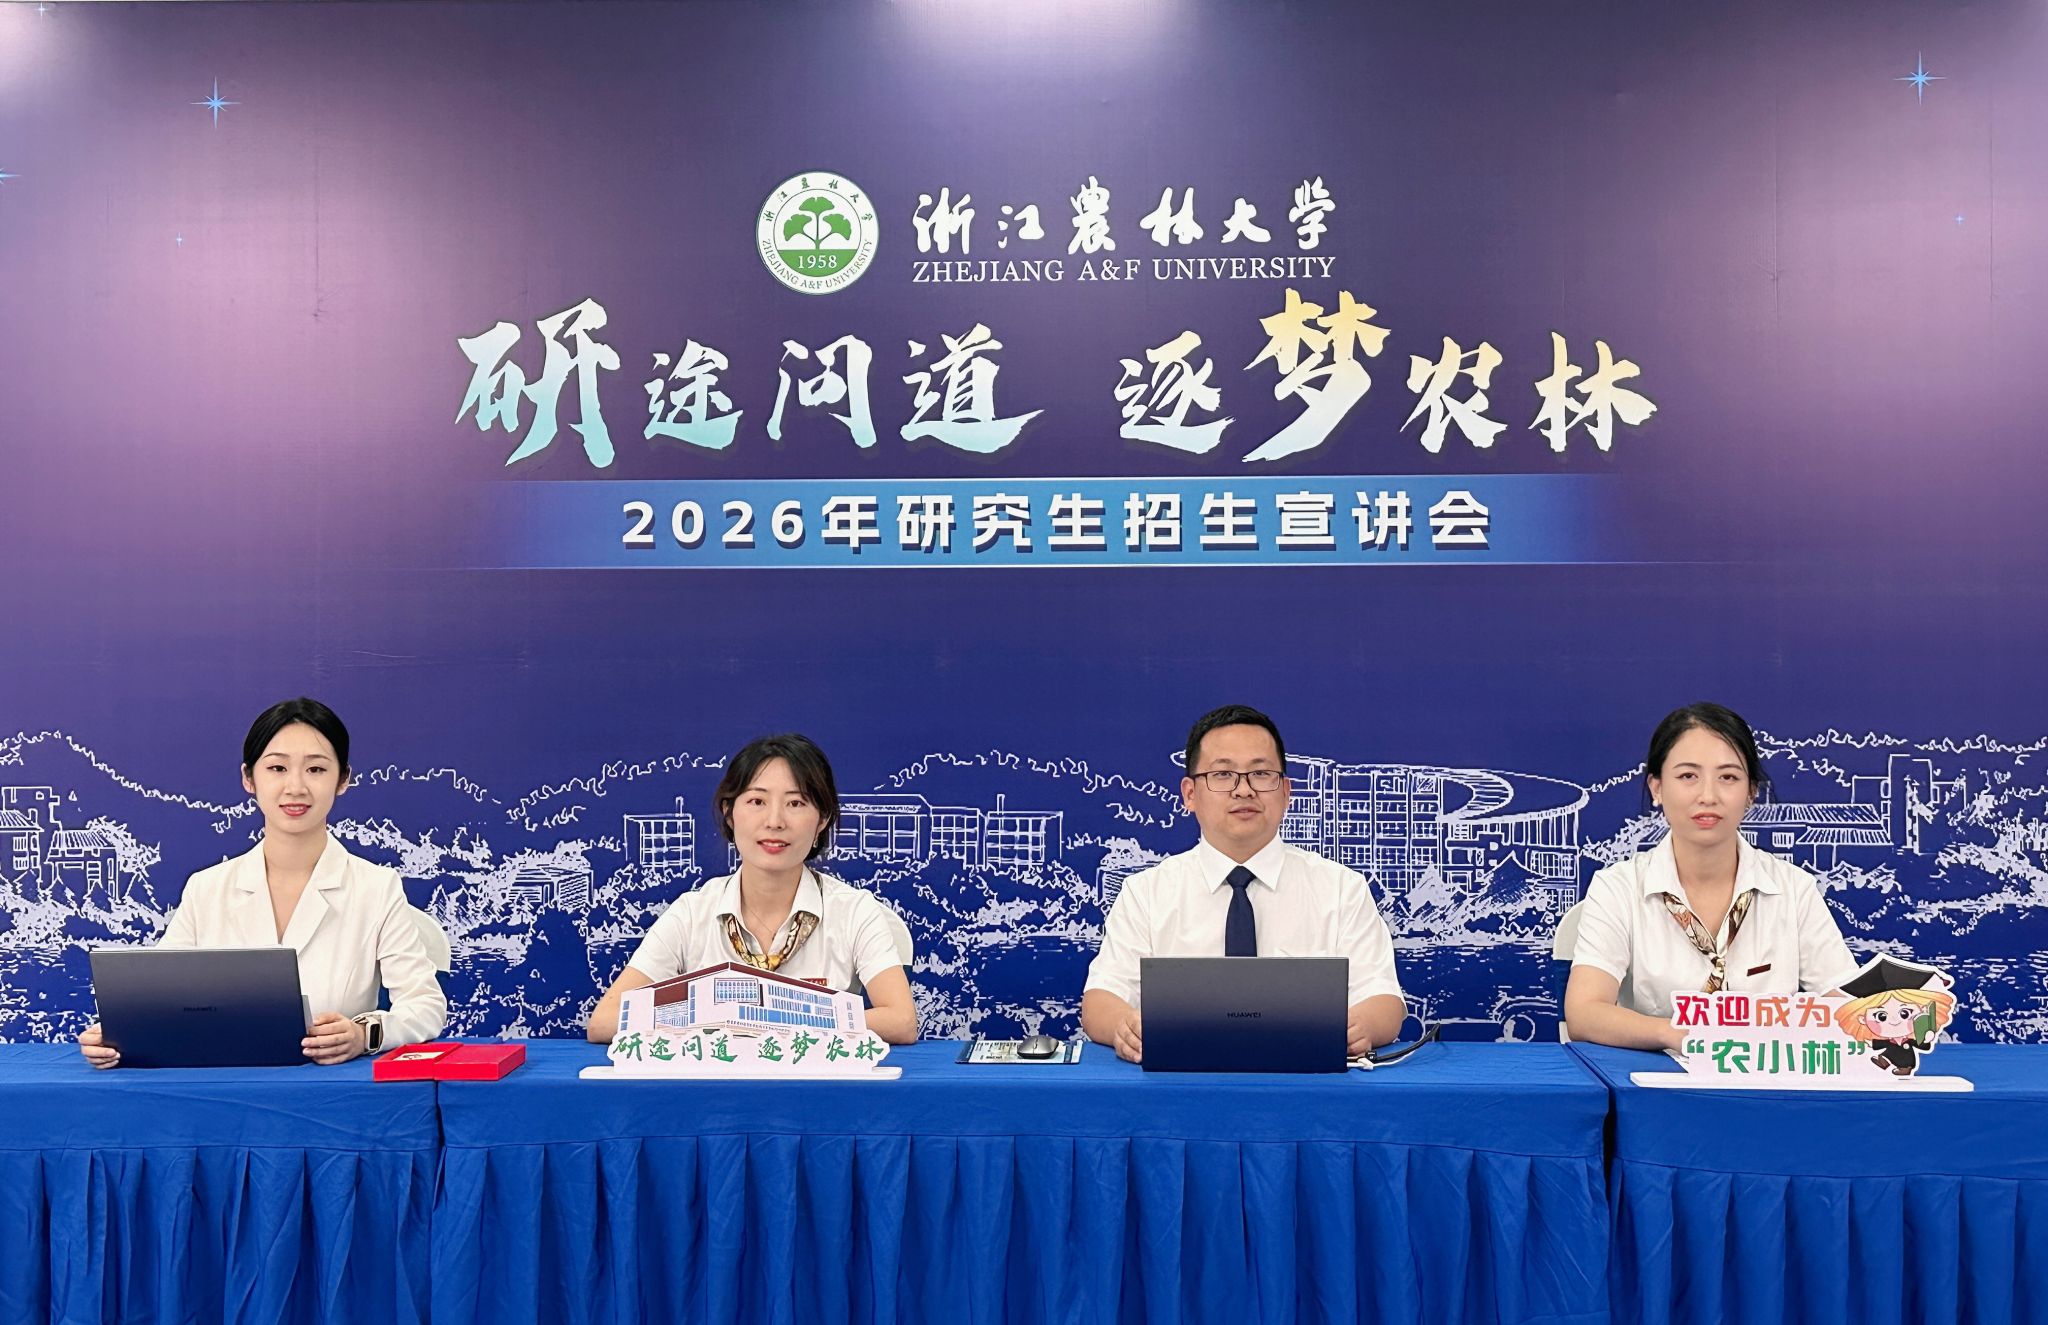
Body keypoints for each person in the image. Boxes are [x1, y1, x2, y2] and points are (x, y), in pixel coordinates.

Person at [78, 698, 447, 1068]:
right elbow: (160, 1002)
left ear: (343, 780)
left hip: (329, 1086)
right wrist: (116, 1036)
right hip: (224, 1084)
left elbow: (425, 1005)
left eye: (316, 769)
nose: (296, 787)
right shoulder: (207, 889)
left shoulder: (376, 888)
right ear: (249, 778)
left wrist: (363, 1034)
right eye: (277, 768)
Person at [1080, 704, 1406, 1063]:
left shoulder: (1341, 889)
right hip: (1178, 1085)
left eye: (1261, 774)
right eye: (1223, 775)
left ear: (1286, 792)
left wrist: (1360, 1027)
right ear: (1190, 794)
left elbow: (1384, 999)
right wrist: (1125, 1027)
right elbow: (1101, 998)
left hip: (1309, 1085)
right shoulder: (1146, 893)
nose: (1244, 790)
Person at [587, 733, 918, 1045]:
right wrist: (718, 1021)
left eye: (796, 803)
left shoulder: (854, 911)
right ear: (729, 814)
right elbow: (605, 1021)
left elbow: (901, 1021)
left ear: (822, 820)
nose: (775, 821)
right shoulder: (692, 913)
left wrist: (774, 1021)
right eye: (757, 801)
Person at [1565, 702, 1859, 1050]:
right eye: (1688, 776)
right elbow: (1584, 1013)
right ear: (1657, 788)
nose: (1708, 796)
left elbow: (1850, 1007)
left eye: (1728, 777)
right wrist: (1677, 1035)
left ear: (1751, 792)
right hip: (1658, 1076)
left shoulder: (1794, 889)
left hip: (1766, 1078)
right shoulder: (1618, 888)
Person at [1834, 955, 1957, 1077]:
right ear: (1862, 1019)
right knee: (1890, 1051)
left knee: (1899, 1055)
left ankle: (1903, 1067)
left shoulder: (1910, 1039)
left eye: (1905, 1013)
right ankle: (1884, 1062)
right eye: (1881, 1016)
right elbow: (1878, 1044)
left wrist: (1926, 1038)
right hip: (1890, 1056)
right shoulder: (1888, 1040)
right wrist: (1868, 1043)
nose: (1894, 1020)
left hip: (1907, 1059)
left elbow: (1923, 1045)